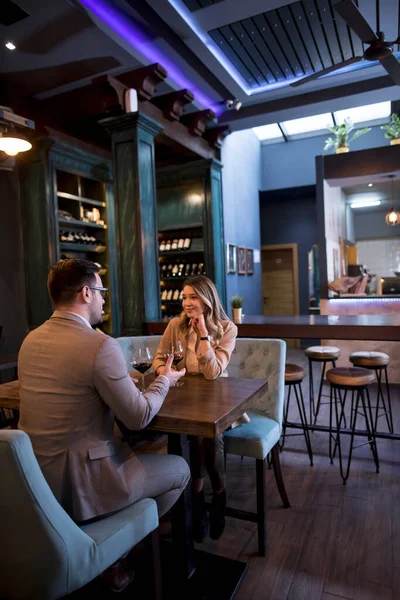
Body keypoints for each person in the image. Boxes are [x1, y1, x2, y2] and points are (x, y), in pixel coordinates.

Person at [18, 258, 190, 592]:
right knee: (180, 468)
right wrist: (165, 380)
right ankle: (117, 550)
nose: (103, 299)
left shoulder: (30, 341)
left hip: (36, 479)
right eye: (101, 291)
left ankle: (114, 540)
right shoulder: (99, 344)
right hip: (85, 484)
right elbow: (138, 417)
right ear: (85, 293)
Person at [153, 275, 246, 543]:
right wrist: (164, 371)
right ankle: (197, 501)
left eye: (193, 297)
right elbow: (159, 359)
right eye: (184, 297)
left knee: (207, 436)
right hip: (183, 399)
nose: (187, 302)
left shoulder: (227, 328)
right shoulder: (175, 325)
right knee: (191, 434)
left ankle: (217, 494)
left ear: (207, 299)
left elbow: (213, 374)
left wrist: (204, 333)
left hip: (218, 400)